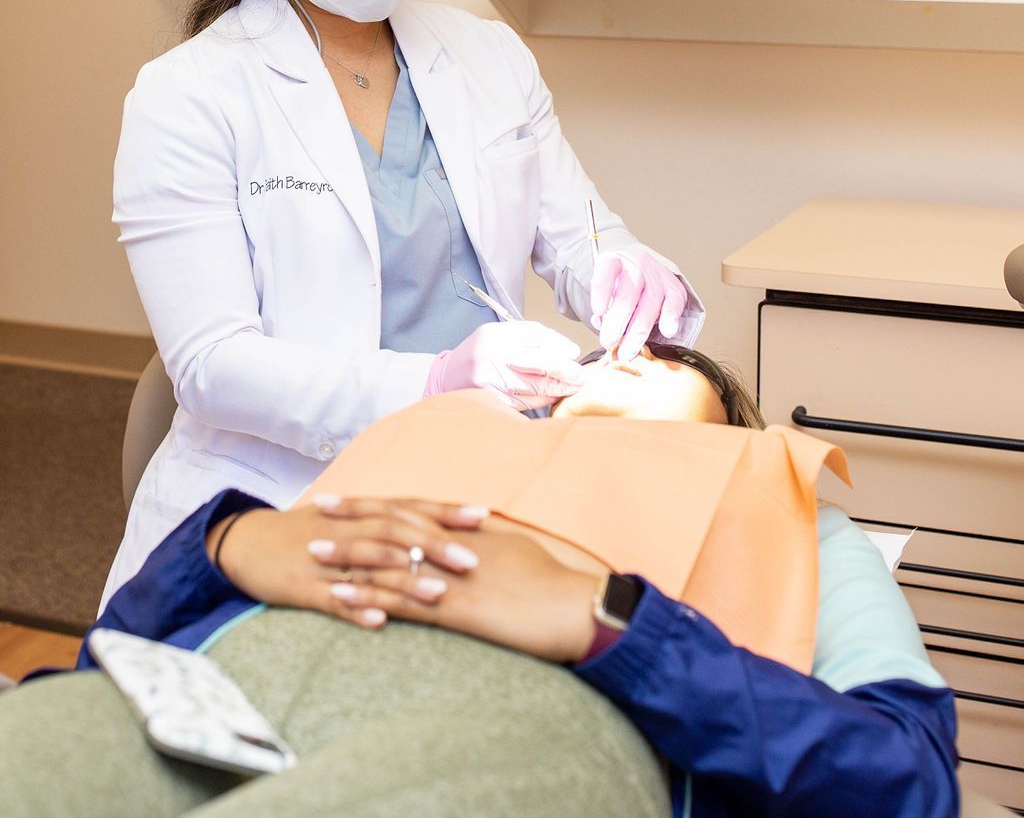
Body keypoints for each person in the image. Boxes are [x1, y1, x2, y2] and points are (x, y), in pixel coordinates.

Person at [102, 0, 704, 607]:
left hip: (483, 479)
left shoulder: (490, 60)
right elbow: (213, 364)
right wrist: (430, 381)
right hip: (285, 505)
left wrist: (624, 273)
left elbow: (582, 238)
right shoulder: (189, 96)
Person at [0, 349, 958, 817]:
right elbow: (106, 654)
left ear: (732, 424)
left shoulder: (789, 512)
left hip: (525, 721)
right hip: (222, 689)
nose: (614, 355)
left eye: (659, 358)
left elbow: (909, 779)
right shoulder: (432, 443)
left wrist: (609, 624)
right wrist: (227, 548)